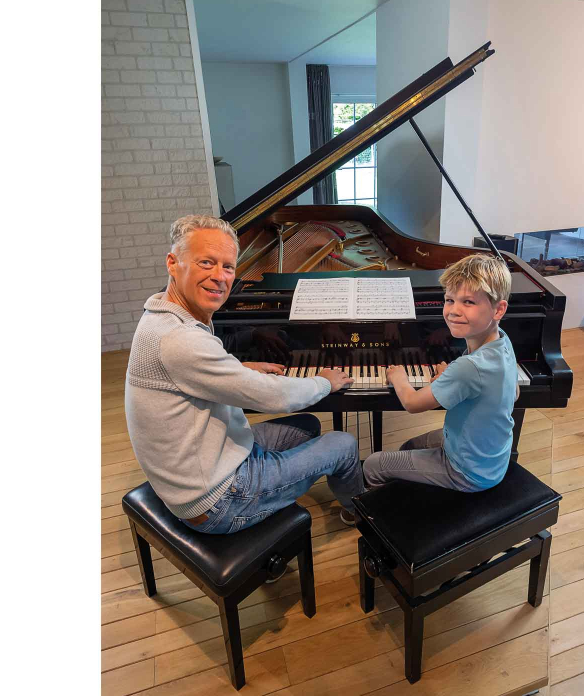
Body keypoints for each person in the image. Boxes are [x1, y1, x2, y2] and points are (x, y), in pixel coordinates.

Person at [125, 214, 364, 539]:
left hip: (201, 466)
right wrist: (325, 381)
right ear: (172, 263)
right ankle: (359, 513)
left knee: (307, 425)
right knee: (344, 443)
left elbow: (195, 375)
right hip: (218, 499)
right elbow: (274, 397)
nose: (219, 277)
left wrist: (241, 369)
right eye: (206, 262)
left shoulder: (161, 317)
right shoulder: (180, 340)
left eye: (227, 266)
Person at [363, 254, 518, 492]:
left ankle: (373, 513)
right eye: (449, 300)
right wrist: (455, 382)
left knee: (373, 465)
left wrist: (398, 378)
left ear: (499, 310)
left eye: (468, 302)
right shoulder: (503, 342)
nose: (453, 311)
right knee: (408, 445)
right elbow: (514, 391)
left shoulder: (468, 369)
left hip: (466, 471)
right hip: (492, 457)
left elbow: (412, 404)